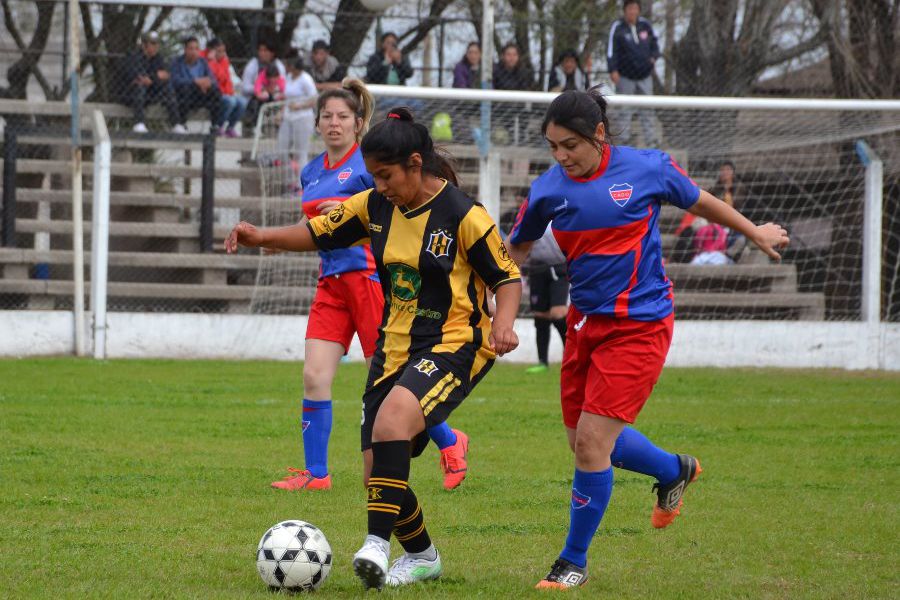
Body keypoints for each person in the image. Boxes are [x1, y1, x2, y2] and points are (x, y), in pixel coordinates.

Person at [227, 107, 521, 591]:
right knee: (377, 475)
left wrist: (504, 324)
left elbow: (507, 276)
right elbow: (318, 232)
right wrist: (261, 236)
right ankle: (424, 556)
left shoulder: (465, 215)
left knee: (390, 423)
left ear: (414, 163)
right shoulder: (373, 205)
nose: (380, 185)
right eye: (375, 178)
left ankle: (376, 546)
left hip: (455, 345)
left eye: (385, 176)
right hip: (394, 347)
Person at [507, 89, 789, 589]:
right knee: (582, 444)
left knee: (593, 444)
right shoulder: (549, 188)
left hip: (641, 324)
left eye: (569, 145)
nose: (561, 156)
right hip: (584, 323)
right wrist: (489, 294)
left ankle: (573, 561)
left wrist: (755, 232)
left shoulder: (648, 168)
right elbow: (519, 247)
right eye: (552, 146)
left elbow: (702, 202)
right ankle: (674, 469)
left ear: (598, 135)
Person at [267, 82, 474, 494]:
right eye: (326, 116)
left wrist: (347, 213)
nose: (334, 123)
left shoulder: (367, 168)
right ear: (317, 123)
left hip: (370, 281)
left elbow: (390, 209)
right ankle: (316, 473)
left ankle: (450, 442)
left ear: (358, 123)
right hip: (331, 283)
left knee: (389, 383)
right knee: (313, 375)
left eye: (343, 116)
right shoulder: (311, 170)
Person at [607, 0, 660, 146]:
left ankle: (651, 140)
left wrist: (654, 58)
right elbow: (612, 50)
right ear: (624, 10)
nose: (632, 11)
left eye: (635, 8)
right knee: (624, 108)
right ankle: (624, 140)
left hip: (644, 75)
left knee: (647, 108)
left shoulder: (645, 25)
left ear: (638, 10)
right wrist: (612, 69)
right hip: (625, 76)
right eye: (629, 8)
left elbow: (655, 44)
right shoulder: (618, 27)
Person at [523, 223, 569, 374]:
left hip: (558, 268)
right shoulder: (535, 213)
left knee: (558, 313)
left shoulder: (562, 213)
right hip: (536, 269)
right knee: (540, 315)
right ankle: (543, 362)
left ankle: (570, 355)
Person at [118, 31, 182, 134]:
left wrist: (152, 78)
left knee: (167, 86)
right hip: (130, 96)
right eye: (152, 43)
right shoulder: (133, 56)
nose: (156, 46)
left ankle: (176, 124)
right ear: (144, 45)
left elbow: (165, 75)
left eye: (157, 43)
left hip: (149, 94)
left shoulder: (158, 58)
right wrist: (155, 76)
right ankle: (139, 123)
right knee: (140, 85)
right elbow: (139, 77)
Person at [170, 36, 223, 132]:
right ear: (185, 50)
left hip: (201, 94)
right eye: (191, 48)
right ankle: (182, 124)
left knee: (215, 91)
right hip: (185, 96)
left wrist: (207, 83)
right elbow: (175, 80)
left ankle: (215, 125)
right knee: (186, 88)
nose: (194, 51)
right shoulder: (177, 62)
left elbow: (212, 79)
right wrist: (195, 81)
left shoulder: (202, 62)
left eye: (196, 49)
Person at [277, 57, 317, 176]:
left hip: (303, 117)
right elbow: (287, 98)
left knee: (301, 152)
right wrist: (282, 111)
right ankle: (290, 179)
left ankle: (301, 184)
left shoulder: (306, 79)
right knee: (282, 149)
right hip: (288, 117)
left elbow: (314, 99)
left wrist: (300, 106)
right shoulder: (289, 77)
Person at [202, 38, 246, 137]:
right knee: (230, 102)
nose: (222, 54)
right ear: (211, 51)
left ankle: (230, 127)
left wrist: (230, 93)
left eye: (223, 51)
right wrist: (212, 61)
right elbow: (215, 77)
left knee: (242, 102)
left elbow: (226, 78)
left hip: (225, 92)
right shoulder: (205, 60)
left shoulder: (223, 61)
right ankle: (218, 126)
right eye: (219, 51)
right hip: (212, 95)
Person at [240, 39, 286, 123]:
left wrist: (275, 90)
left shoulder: (279, 66)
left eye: (265, 51)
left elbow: (282, 85)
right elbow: (245, 88)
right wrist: (262, 89)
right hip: (254, 99)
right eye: (260, 50)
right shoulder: (253, 65)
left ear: (272, 53)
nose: (262, 53)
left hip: (275, 97)